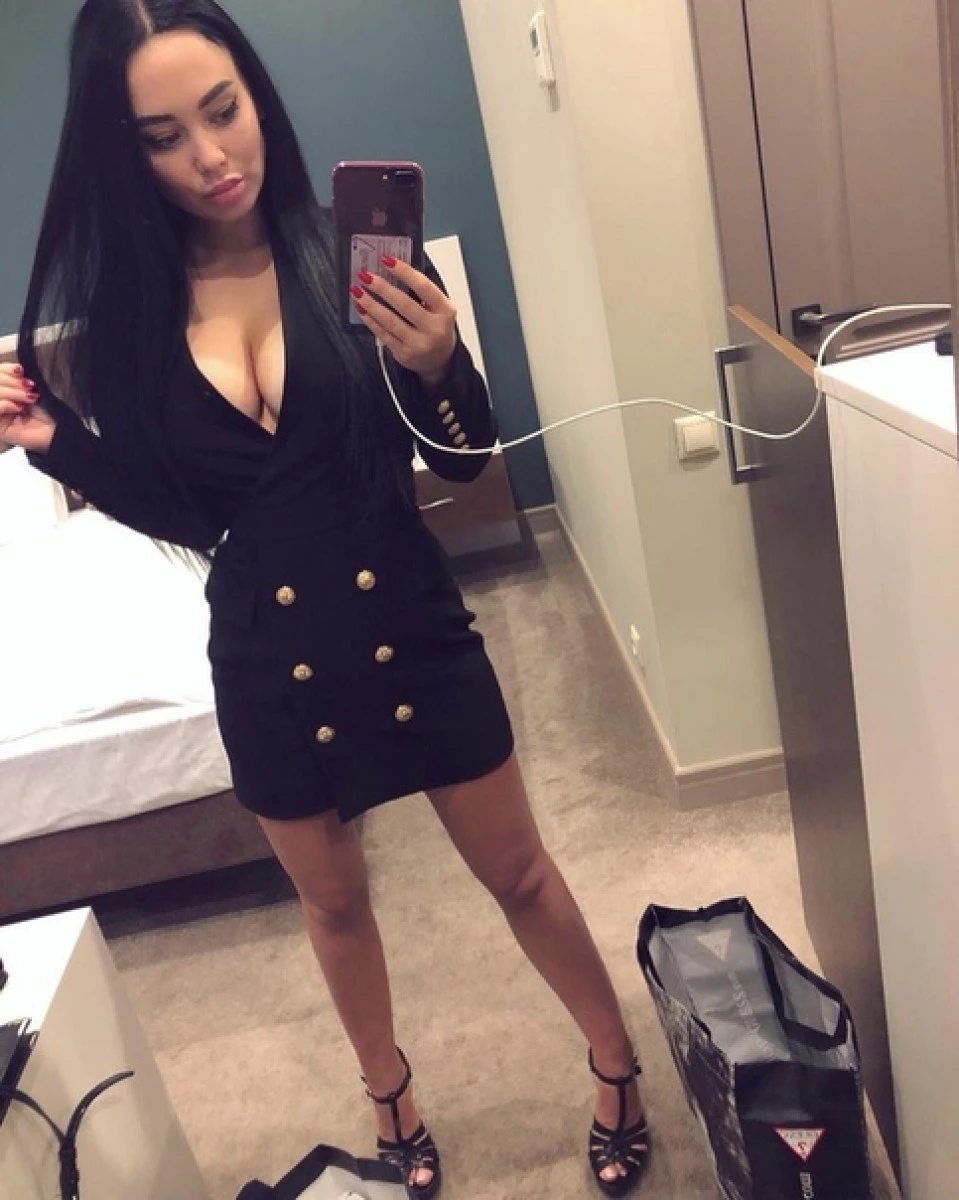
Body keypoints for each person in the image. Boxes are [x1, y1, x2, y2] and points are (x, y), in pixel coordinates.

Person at [0, 2, 649, 1195]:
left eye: (223, 109)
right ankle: (388, 1095)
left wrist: (438, 362)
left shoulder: (354, 257)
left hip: (410, 622)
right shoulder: (137, 317)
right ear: (121, 152)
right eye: (163, 136)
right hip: (266, 656)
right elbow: (194, 514)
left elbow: (460, 459)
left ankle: (615, 1058)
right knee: (336, 910)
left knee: (518, 874)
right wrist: (59, 445)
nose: (210, 156)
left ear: (256, 94)